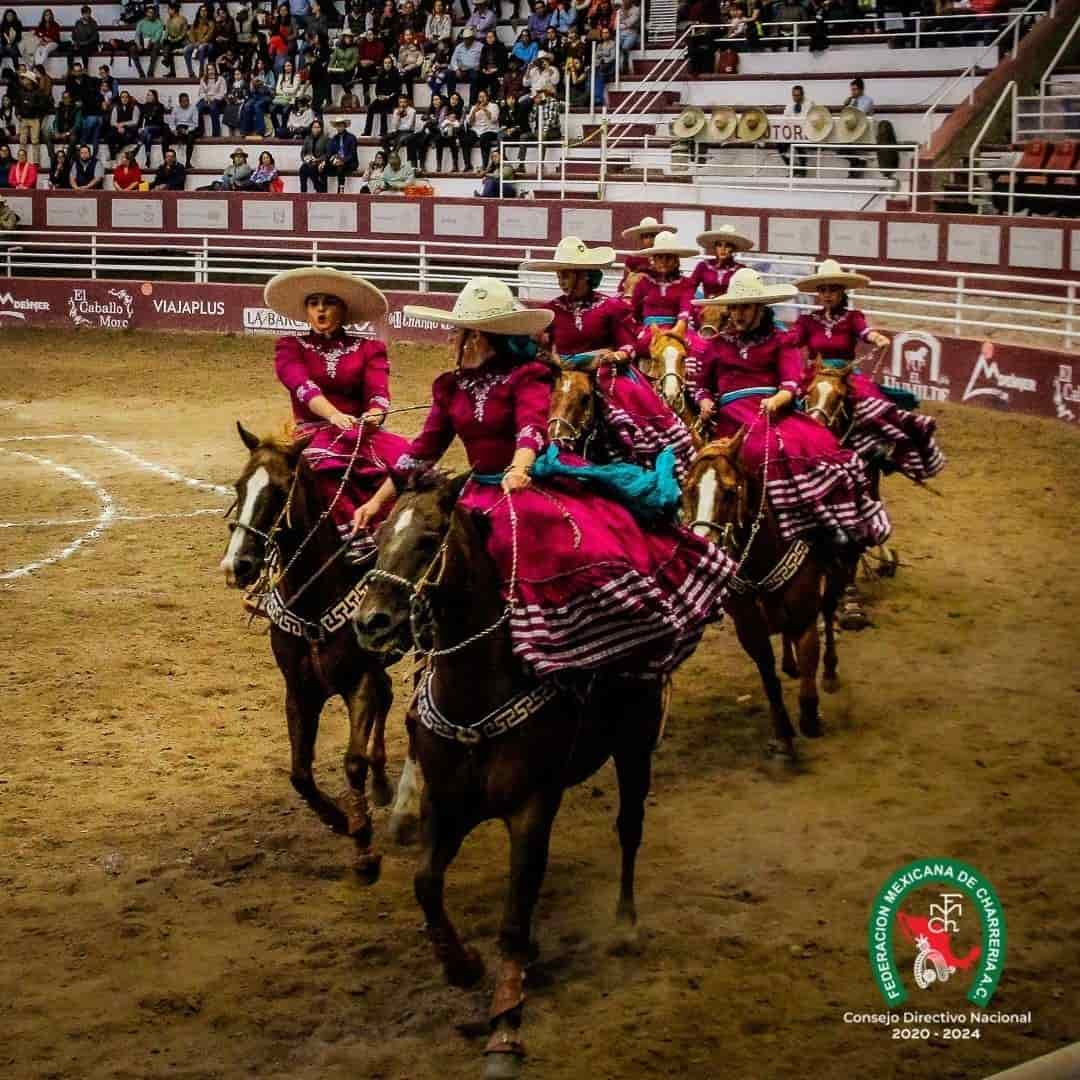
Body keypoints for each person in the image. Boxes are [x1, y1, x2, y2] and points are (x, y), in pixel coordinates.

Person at [352, 277, 734, 678]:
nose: (451, 339)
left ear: (478, 337)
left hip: (522, 481)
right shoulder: (451, 386)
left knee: (558, 550)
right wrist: (377, 503)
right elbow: (422, 450)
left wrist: (520, 466)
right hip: (478, 487)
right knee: (421, 552)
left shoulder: (527, 376)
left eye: (457, 332)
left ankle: (565, 647)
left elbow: (530, 429)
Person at [692, 268, 891, 551]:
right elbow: (702, 385)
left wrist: (777, 400)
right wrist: (704, 401)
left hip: (768, 413)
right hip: (727, 420)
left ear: (760, 308)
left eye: (745, 307)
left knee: (786, 449)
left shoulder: (779, 340)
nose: (738, 314)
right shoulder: (717, 345)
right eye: (734, 307)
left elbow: (790, 384)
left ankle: (814, 520)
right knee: (694, 463)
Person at [265, 266, 409, 560]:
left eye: (329, 303)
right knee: (320, 466)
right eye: (313, 303)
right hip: (312, 433)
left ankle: (394, 536)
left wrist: (374, 415)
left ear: (343, 309)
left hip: (361, 433)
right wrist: (333, 416)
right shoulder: (289, 347)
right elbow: (301, 386)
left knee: (409, 464)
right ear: (306, 310)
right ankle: (351, 537)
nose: (320, 310)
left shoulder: (370, 348)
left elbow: (379, 393)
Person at [526, 236, 695, 478]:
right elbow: (537, 344)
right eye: (559, 275)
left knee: (633, 416)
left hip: (605, 373)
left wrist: (619, 354)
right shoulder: (551, 311)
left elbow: (630, 344)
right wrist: (547, 357)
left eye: (566, 274)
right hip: (564, 375)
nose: (561, 280)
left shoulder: (610, 308)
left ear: (583, 275)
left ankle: (645, 461)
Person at [788, 259, 945, 482]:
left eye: (833, 289)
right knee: (789, 403)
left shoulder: (854, 317)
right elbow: (793, 339)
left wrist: (876, 337)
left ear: (842, 292)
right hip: (815, 374)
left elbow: (865, 332)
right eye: (823, 290)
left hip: (845, 373)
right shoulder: (806, 321)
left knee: (869, 401)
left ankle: (879, 449)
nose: (827, 294)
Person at [630, 229, 699, 359]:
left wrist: (679, 326)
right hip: (649, 330)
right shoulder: (643, 283)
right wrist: (639, 330)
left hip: (677, 327)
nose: (664, 261)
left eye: (669, 257)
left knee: (697, 348)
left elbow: (686, 307)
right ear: (653, 259)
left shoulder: (686, 283)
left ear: (676, 260)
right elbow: (633, 312)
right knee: (637, 346)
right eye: (659, 257)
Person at [688, 224, 753, 310]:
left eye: (727, 245)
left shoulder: (741, 269)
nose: (723, 249)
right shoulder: (703, 266)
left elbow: (746, 294)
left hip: (731, 311)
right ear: (715, 248)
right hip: (706, 309)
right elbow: (689, 288)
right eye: (719, 245)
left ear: (733, 248)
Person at [617, 216, 675, 299]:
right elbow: (626, 279)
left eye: (653, 235)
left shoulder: (665, 256)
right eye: (646, 236)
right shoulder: (633, 258)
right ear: (641, 239)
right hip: (637, 293)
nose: (650, 239)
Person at [842, 77, 874, 178]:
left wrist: (851, 104)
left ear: (861, 90)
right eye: (852, 89)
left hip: (863, 130)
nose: (853, 92)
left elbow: (860, 113)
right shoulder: (851, 101)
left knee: (854, 149)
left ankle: (854, 172)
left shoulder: (868, 100)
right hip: (852, 130)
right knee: (840, 148)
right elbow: (846, 115)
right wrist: (846, 104)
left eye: (855, 89)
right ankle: (857, 163)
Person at [462, 87, 499, 170]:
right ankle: (467, 164)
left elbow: (494, 119)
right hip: (476, 130)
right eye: (480, 97)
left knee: (484, 138)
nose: (481, 99)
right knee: (466, 140)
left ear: (487, 97)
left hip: (490, 130)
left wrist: (485, 110)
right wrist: (474, 112)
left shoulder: (494, 106)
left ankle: (485, 165)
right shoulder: (474, 107)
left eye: (483, 97)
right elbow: (470, 123)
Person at [364, 55, 400, 136]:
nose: (387, 64)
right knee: (370, 108)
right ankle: (367, 131)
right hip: (381, 98)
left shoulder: (396, 74)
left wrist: (389, 96)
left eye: (389, 63)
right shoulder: (381, 74)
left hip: (392, 99)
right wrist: (379, 96)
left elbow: (398, 90)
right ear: (383, 64)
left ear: (392, 64)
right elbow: (377, 89)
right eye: (385, 63)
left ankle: (383, 132)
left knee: (383, 109)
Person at [780, 83, 809, 178]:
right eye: (794, 95)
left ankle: (802, 170)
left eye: (797, 95)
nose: (795, 97)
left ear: (802, 95)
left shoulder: (809, 104)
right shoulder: (790, 105)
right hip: (792, 133)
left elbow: (806, 119)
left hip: (805, 134)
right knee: (780, 146)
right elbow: (785, 117)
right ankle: (794, 168)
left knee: (800, 146)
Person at [130, 5, 166, 78]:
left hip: (153, 43)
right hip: (143, 43)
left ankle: (150, 72)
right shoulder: (141, 22)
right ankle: (141, 73)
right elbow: (137, 35)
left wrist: (151, 42)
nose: (151, 14)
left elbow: (158, 37)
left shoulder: (159, 23)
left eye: (153, 13)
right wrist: (138, 44)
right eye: (149, 12)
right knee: (132, 49)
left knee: (156, 46)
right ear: (146, 13)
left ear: (155, 14)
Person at [106, 89, 141, 162]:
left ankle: (117, 151)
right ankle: (113, 155)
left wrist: (122, 124)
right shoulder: (116, 107)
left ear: (129, 98)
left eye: (126, 97)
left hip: (130, 128)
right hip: (118, 128)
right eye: (122, 97)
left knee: (127, 134)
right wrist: (119, 127)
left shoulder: (135, 107)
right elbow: (112, 122)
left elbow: (135, 122)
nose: (124, 99)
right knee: (110, 134)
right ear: (120, 98)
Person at [325, 117, 358, 192]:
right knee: (325, 165)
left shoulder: (351, 138)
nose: (339, 128)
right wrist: (331, 159)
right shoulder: (334, 138)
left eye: (340, 125)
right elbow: (330, 152)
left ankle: (340, 189)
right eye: (337, 126)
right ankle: (323, 190)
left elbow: (352, 154)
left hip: (350, 162)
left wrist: (343, 160)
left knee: (340, 166)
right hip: (336, 160)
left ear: (344, 126)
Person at [298, 118, 329, 191]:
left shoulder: (325, 139)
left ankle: (318, 187)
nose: (316, 129)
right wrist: (305, 159)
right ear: (311, 128)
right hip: (309, 162)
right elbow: (303, 152)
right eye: (314, 127)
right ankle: (303, 192)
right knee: (302, 169)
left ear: (321, 128)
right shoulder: (308, 138)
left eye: (318, 127)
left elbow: (327, 153)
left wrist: (318, 160)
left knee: (312, 170)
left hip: (320, 162)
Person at [197, 63, 228, 136]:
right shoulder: (203, 79)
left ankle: (216, 133)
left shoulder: (221, 79)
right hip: (206, 98)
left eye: (212, 69)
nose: (210, 71)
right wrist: (206, 97)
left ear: (215, 69)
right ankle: (200, 131)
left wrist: (213, 98)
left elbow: (223, 93)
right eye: (208, 69)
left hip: (217, 99)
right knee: (197, 108)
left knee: (213, 108)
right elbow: (201, 92)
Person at [70, 6, 100, 72]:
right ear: (82, 14)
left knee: (84, 49)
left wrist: (86, 25)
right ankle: (70, 70)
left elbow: (94, 37)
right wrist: (76, 43)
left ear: (90, 13)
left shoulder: (93, 23)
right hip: (80, 44)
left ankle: (85, 69)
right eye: (84, 13)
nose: (86, 15)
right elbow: (73, 35)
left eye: (88, 13)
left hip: (91, 44)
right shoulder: (78, 23)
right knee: (70, 51)